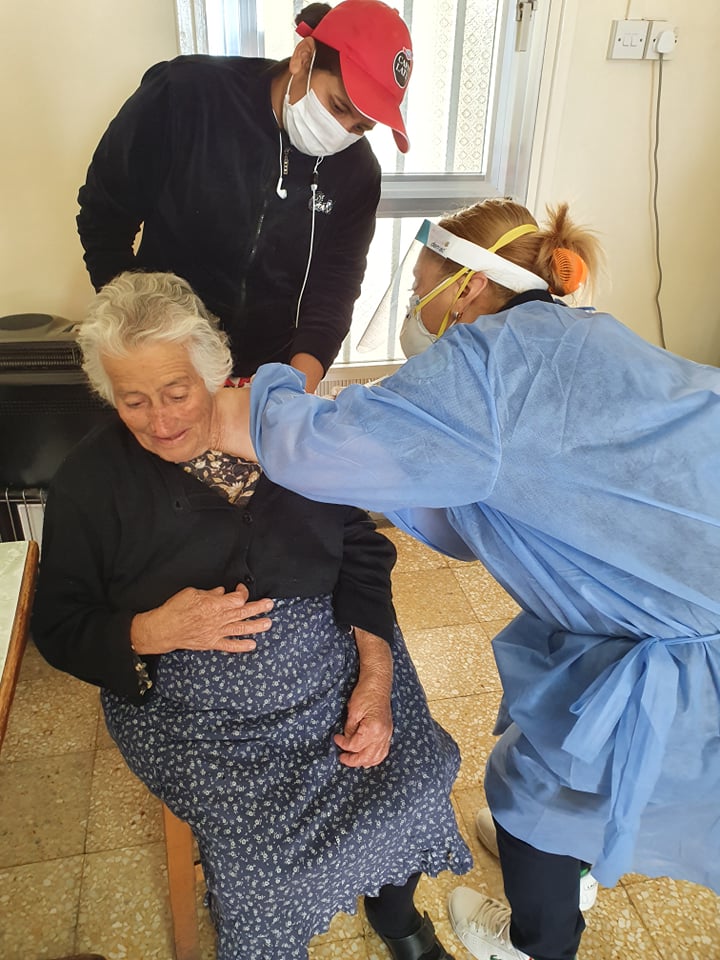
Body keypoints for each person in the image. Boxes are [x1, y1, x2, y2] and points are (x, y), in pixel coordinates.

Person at [247, 198, 720, 960]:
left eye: (420, 288)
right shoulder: (579, 333)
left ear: (468, 285)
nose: (415, 308)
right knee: (550, 709)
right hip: (669, 586)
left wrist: (268, 390)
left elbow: (312, 448)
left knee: (537, 788)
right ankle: (563, 871)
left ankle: (539, 939)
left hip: (690, 641)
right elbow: (487, 497)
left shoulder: (486, 365)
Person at [30, 271, 473, 960]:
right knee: (266, 867)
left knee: (418, 777)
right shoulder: (91, 480)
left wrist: (376, 678)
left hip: (336, 673)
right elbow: (58, 625)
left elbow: (360, 548)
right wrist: (152, 630)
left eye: (176, 392)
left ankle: (395, 913)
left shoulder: (288, 436)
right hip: (204, 724)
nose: (160, 421)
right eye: (133, 401)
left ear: (213, 373)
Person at [76, 1, 413, 392]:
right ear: (303, 58)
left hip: (266, 373)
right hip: (162, 359)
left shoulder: (357, 172)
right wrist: (136, 332)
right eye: (338, 106)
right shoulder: (186, 95)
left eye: (360, 127)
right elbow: (103, 218)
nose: (342, 131)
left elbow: (333, 290)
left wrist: (292, 390)